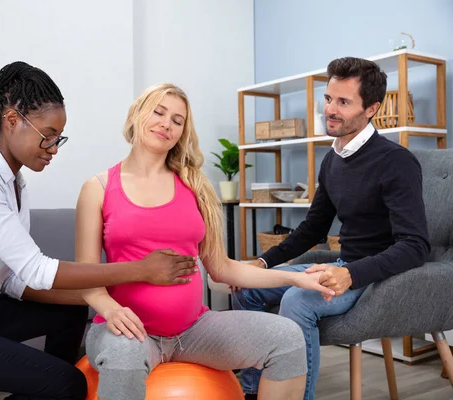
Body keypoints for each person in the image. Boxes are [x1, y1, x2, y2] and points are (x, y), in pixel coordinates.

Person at [0, 62, 199, 400]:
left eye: (59, 138)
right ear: (12, 121)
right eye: (48, 136)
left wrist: (100, 299)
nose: (54, 148)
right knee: (66, 384)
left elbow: (13, 279)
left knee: (70, 312)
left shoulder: (15, 184)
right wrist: (140, 270)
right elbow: (34, 268)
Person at [75, 83, 337, 400]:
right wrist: (112, 310)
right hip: (127, 331)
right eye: (158, 112)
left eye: (177, 119)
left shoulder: (194, 184)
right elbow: (86, 277)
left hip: (193, 330)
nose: (166, 124)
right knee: (125, 353)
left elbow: (223, 268)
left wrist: (296, 278)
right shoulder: (98, 187)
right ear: (136, 114)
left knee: (287, 337)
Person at [231, 57, 431, 400]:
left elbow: (415, 245)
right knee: (246, 290)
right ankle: (253, 390)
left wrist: (351, 273)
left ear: (371, 108)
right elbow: (313, 228)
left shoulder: (395, 162)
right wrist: (261, 265)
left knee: (297, 300)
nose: (330, 110)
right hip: (342, 266)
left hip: (375, 277)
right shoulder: (333, 158)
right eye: (328, 99)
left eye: (343, 102)